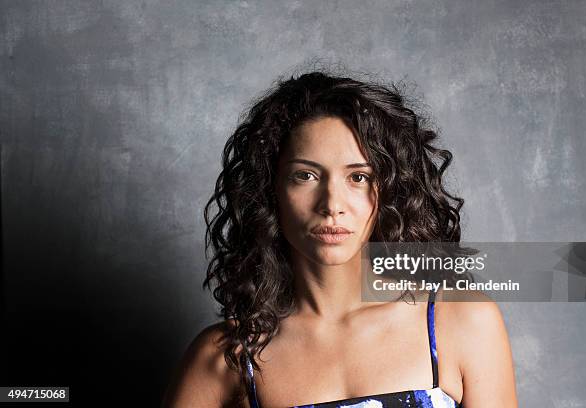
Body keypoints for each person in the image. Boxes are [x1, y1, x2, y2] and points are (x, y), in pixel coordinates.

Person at [163, 72, 517, 407]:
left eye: (359, 177)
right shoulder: (228, 357)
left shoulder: (461, 322)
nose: (332, 205)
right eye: (305, 175)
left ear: (391, 190)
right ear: (269, 192)